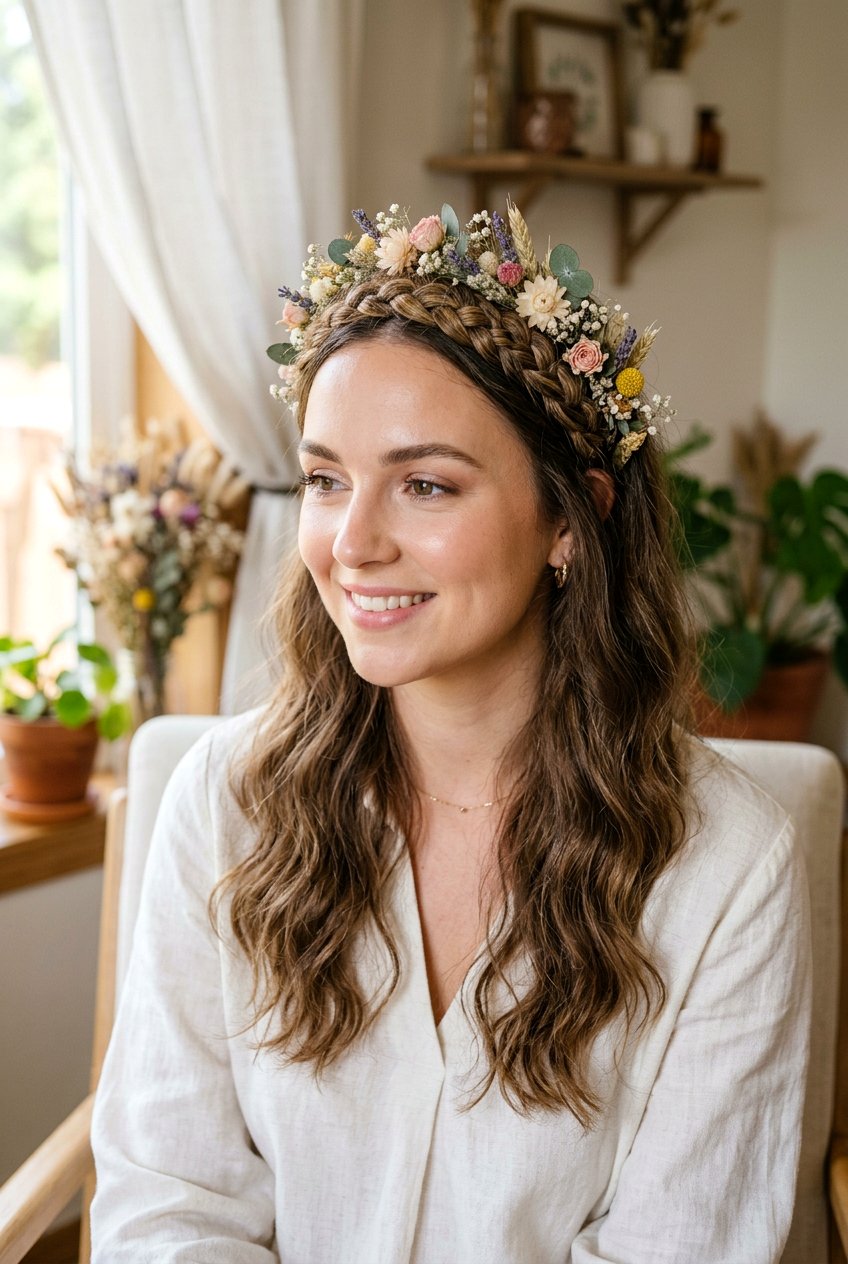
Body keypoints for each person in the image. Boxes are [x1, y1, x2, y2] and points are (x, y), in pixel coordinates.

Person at [90, 201, 812, 1262]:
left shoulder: (728, 864)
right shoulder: (224, 800)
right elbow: (169, 1201)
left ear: (567, 521)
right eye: (327, 478)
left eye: (424, 483)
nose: (351, 543)